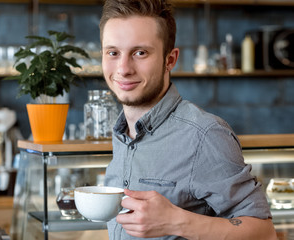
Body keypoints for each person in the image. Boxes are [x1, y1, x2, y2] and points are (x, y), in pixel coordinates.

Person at [99, 0, 277, 239]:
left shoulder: (204, 134)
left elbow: (264, 233)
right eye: (113, 53)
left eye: (140, 53)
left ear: (170, 60)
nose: (123, 68)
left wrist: (176, 222)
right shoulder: (122, 133)